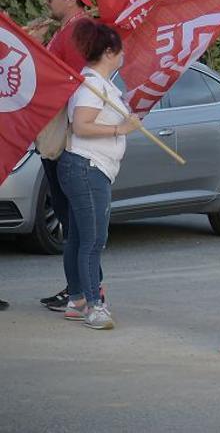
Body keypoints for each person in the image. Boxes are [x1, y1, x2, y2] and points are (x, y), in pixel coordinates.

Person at [59, 20, 139, 330]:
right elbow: (82, 125)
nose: (123, 56)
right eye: (120, 51)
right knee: (92, 240)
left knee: (80, 238)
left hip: (87, 167)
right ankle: (93, 304)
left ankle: (78, 298)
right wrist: (122, 128)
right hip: (87, 167)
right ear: (108, 52)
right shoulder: (91, 85)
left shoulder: (96, 84)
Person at [24, 0, 95, 313]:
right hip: (60, 133)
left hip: (67, 136)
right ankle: (80, 288)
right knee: (72, 218)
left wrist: (35, 49)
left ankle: (86, 290)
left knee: (75, 219)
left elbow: (74, 82)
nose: (47, 1)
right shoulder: (69, 29)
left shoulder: (78, 31)